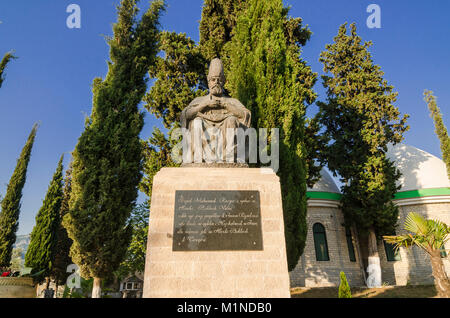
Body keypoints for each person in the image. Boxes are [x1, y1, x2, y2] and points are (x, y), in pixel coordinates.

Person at [180, 58, 251, 163]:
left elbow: (245, 115)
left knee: (231, 120)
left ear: (223, 81)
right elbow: (185, 115)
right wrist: (203, 106)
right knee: (196, 122)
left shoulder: (232, 101)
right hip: (205, 130)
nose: (216, 82)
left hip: (225, 131)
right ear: (208, 81)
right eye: (213, 79)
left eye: (219, 79)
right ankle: (199, 158)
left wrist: (225, 105)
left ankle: (229, 157)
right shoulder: (199, 100)